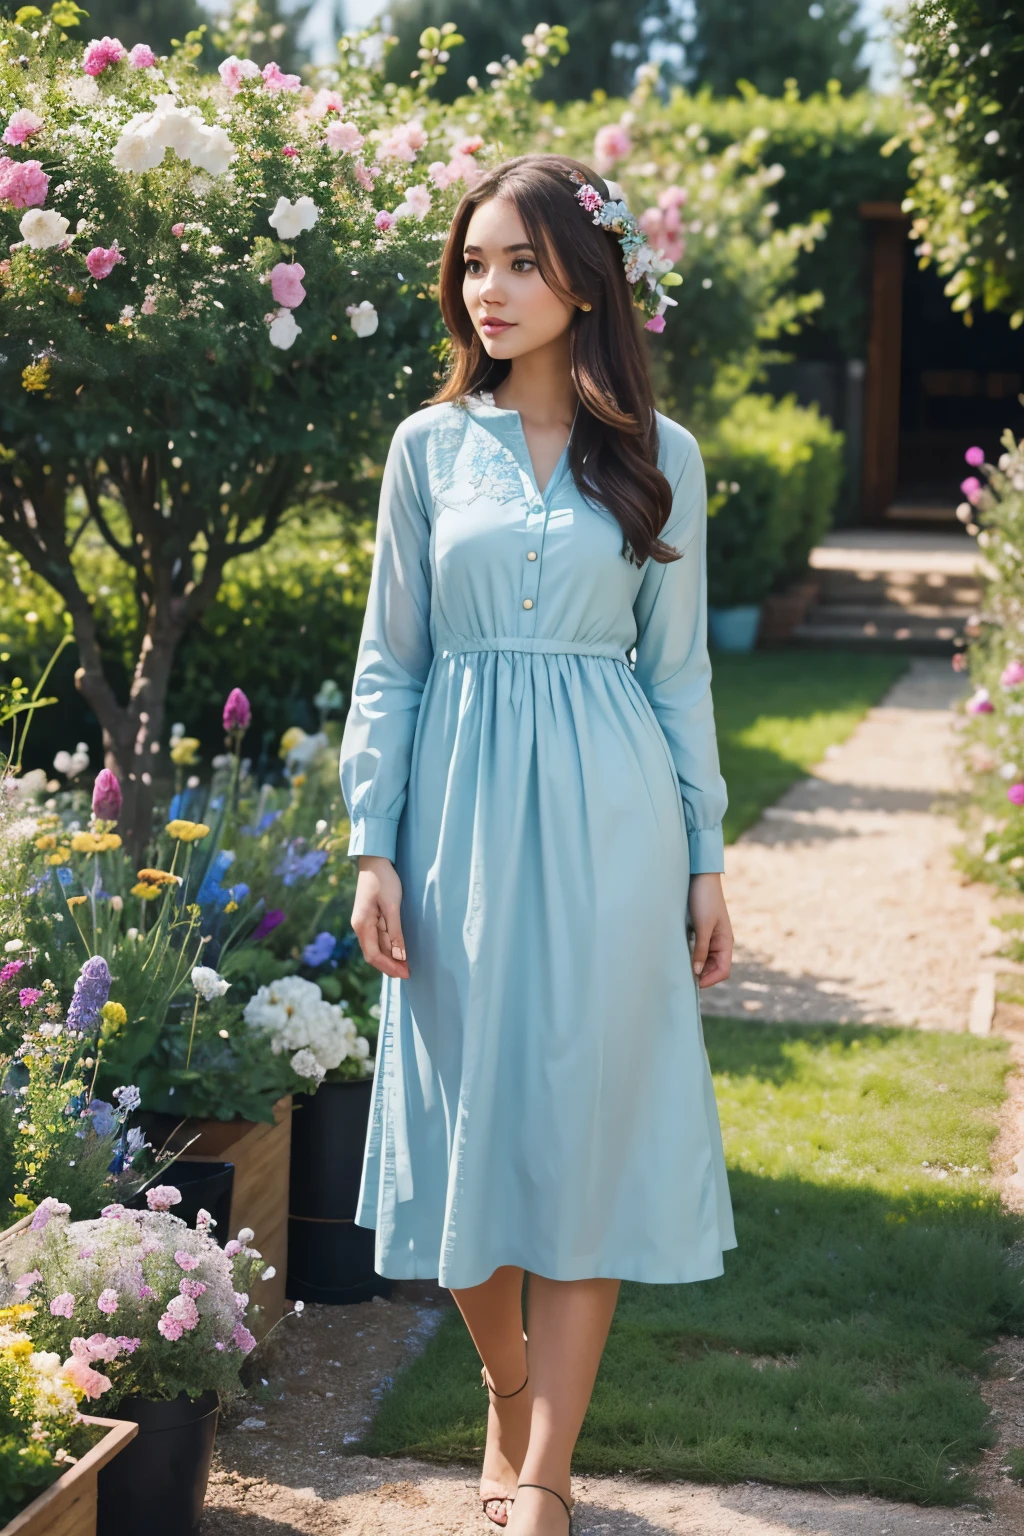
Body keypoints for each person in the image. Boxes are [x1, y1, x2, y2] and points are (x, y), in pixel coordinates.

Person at [339, 153, 736, 1536]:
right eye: (473, 263)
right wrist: (370, 842)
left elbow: (678, 674)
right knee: (454, 1128)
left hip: (612, 825)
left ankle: (549, 1474)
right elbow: (390, 661)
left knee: (585, 1135)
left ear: (586, 276)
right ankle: (505, 1383)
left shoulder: (661, 458)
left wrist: (704, 856)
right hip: (449, 825)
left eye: (518, 262)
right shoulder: (424, 447)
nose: (487, 290)